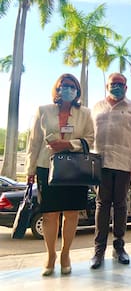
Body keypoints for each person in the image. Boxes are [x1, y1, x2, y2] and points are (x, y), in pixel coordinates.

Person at [25, 73, 94, 276]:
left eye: (72, 86)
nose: (68, 89)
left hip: (74, 168)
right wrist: (30, 170)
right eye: (64, 85)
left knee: (71, 213)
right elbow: (34, 142)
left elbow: (90, 139)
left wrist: (68, 144)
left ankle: (65, 254)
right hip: (47, 167)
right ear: (57, 88)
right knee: (50, 214)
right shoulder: (43, 110)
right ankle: (50, 255)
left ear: (77, 91)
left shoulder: (85, 114)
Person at [90, 72, 131, 269]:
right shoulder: (97, 107)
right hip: (101, 165)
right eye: (113, 83)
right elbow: (90, 136)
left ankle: (119, 247)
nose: (116, 86)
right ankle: (99, 251)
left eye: (120, 84)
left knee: (121, 205)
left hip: (124, 165)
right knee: (102, 206)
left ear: (126, 88)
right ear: (107, 86)